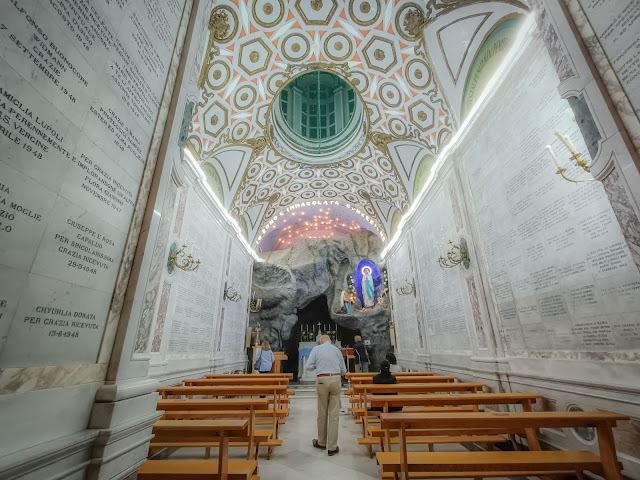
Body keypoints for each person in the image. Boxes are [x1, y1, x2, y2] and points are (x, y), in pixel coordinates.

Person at [306, 334, 346, 456]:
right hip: (335, 380)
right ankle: (332, 447)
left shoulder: (316, 349)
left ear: (320, 341)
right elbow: (343, 370)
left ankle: (322, 442)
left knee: (322, 412)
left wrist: (318, 366)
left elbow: (308, 367)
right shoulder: (337, 349)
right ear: (330, 341)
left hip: (322, 380)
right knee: (334, 414)